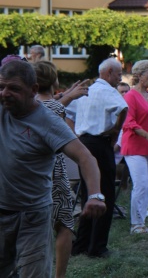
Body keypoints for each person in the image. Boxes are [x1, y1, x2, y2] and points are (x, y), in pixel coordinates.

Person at [0, 60, 105, 276]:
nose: (5, 93)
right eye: (1, 87)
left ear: (34, 90)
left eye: (14, 88)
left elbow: (86, 157)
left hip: (33, 216)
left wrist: (95, 195)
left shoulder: (47, 121)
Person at [67, 58, 128, 258]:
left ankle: (81, 244)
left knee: (88, 193)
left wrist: (74, 135)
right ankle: (97, 247)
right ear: (109, 72)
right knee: (105, 194)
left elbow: (68, 112)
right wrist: (116, 130)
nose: (120, 78)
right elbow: (123, 108)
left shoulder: (88, 90)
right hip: (101, 144)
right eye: (118, 74)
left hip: (84, 142)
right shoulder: (108, 91)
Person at [33, 61, 88, 278]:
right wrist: (68, 96)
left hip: (30, 172)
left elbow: (47, 103)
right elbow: (52, 107)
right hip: (52, 172)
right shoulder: (54, 108)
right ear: (53, 81)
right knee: (64, 224)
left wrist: (67, 95)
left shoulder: (25, 105)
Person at [121, 60, 148, 234]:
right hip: (135, 145)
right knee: (141, 185)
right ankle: (135, 225)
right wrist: (146, 134)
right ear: (139, 75)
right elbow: (128, 122)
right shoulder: (130, 96)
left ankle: (142, 221)